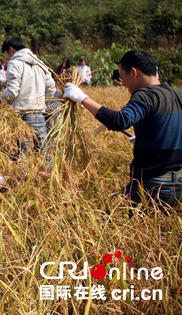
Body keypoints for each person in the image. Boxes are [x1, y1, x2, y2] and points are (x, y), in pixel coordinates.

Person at [63, 50, 182, 209]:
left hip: (154, 185)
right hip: (179, 182)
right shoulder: (176, 93)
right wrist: (147, 138)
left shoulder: (145, 96)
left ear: (134, 72)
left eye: (122, 76)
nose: (122, 83)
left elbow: (119, 121)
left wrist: (82, 98)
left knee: (108, 218)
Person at [0, 36, 56, 163]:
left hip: (23, 115)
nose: (7, 58)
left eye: (6, 55)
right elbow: (51, 87)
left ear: (11, 49)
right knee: (44, 152)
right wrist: (44, 102)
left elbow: (12, 91)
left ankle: (21, 181)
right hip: (39, 114)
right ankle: (47, 179)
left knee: (22, 154)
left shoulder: (14, 63)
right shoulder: (40, 63)